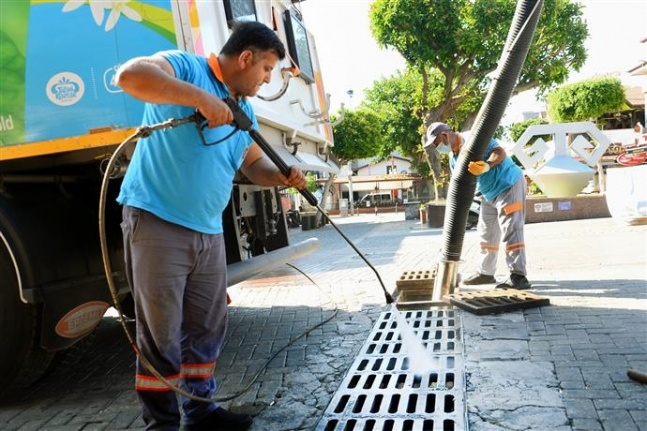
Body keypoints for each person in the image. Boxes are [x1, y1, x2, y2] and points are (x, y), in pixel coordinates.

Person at [115, 21, 307, 431]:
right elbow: (129, 76)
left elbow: (253, 166)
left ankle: (200, 412)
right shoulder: (185, 68)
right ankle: (162, 425)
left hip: (208, 232)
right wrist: (201, 98)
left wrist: (283, 174)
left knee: (206, 327)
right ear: (246, 57)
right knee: (161, 337)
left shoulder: (245, 111)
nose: (268, 78)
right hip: (156, 222)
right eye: (268, 68)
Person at [424, 122, 531, 290]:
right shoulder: (454, 159)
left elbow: (499, 152)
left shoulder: (473, 138)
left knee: (511, 228)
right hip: (488, 194)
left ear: (444, 136)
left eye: (436, 143)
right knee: (486, 232)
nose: (437, 148)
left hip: (508, 184)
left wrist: (487, 165)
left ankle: (518, 276)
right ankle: (486, 273)